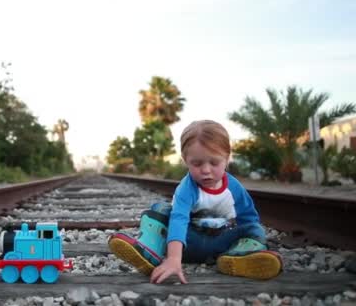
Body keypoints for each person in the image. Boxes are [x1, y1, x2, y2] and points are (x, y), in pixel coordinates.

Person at [108, 120, 282, 284]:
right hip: (187, 244)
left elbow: (247, 218)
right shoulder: (187, 188)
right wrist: (174, 259)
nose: (206, 170)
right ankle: (150, 251)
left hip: (222, 244)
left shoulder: (234, 188)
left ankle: (240, 256)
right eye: (197, 163)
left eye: (214, 162)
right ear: (186, 161)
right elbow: (179, 219)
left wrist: (250, 235)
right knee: (160, 209)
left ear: (227, 158)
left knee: (254, 227)